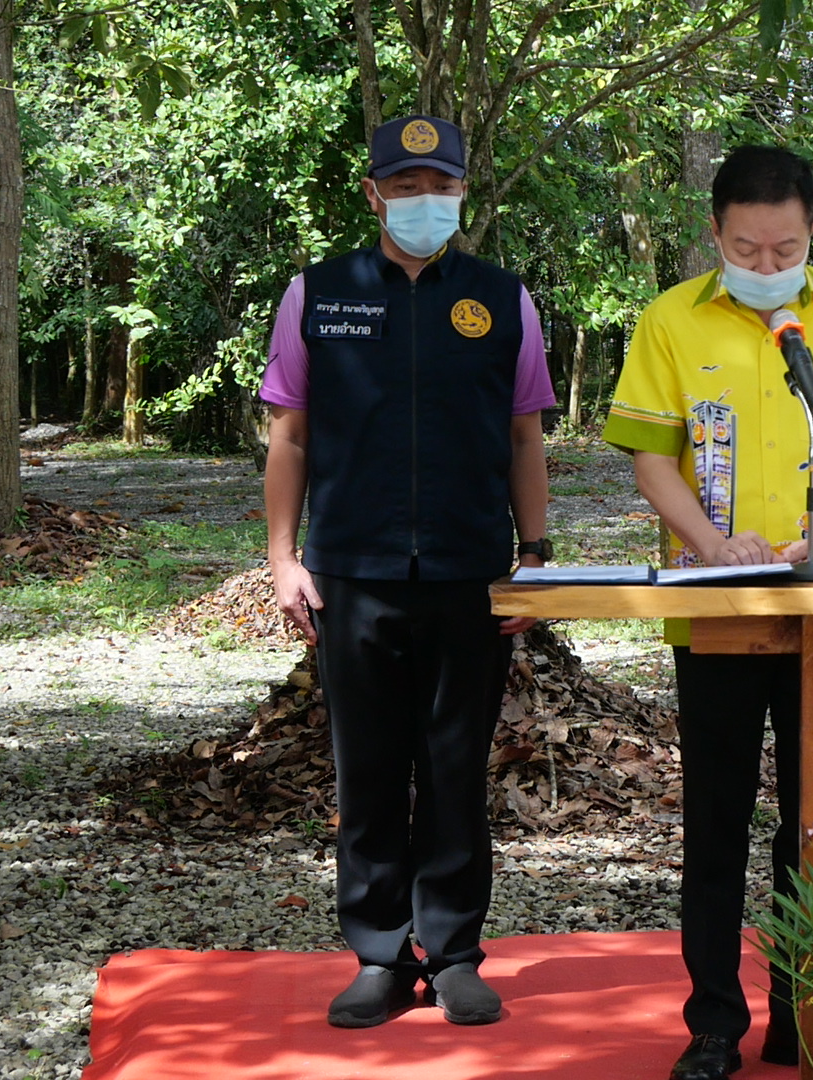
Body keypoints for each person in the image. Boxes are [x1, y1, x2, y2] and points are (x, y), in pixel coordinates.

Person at [602, 145, 813, 1080]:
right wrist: (712, 544)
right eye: (746, 247)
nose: (766, 262)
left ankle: (807, 1010)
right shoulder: (671, 318)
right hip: (716, 602)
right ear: (715, 232)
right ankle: (713, 1024)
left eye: (785, 247)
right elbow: (652, 456)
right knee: (717, 816)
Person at [259, 114, 556, 1029]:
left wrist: (535, 558)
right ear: (374, 193)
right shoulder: (318, 294)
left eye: (442, 185)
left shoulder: (503, 300)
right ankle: (380, 957)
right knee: (370, 772)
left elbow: (525, 436)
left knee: (458, 768)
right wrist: (282, 556)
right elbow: (290, 433)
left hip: (470, 573)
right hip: (353, 573)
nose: (426, 200)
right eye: (407, 184)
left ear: (464, 190)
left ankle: (455, 953)